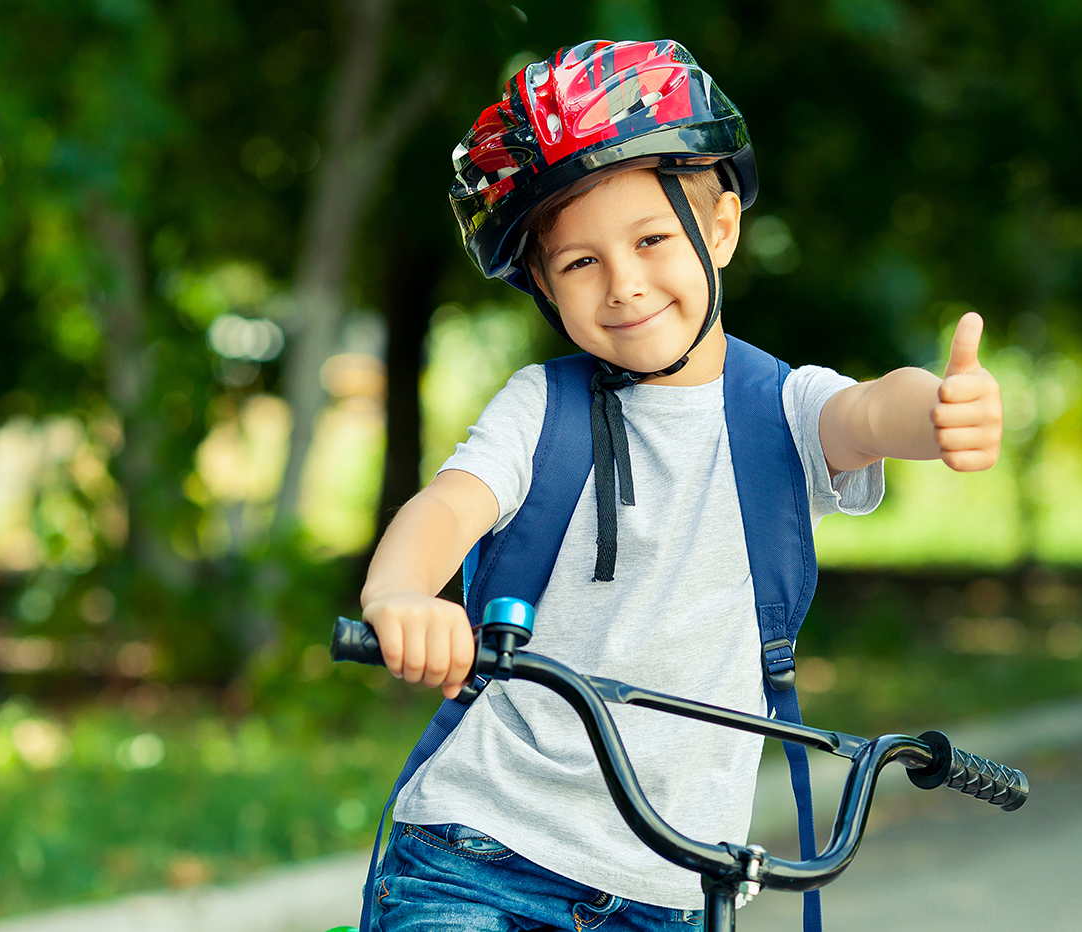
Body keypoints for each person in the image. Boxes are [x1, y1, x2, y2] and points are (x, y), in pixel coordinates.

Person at [359, 39, 1002, 931]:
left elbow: (864, 414)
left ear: (723, 230)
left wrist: (934, 410)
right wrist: (400, 593)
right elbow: (448, 506)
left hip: (676, 883)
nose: (624, 284)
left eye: (653, 239)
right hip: (486, 853)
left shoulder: (778, 408)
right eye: (580, 262)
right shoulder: (538, 408)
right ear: (544, 283)